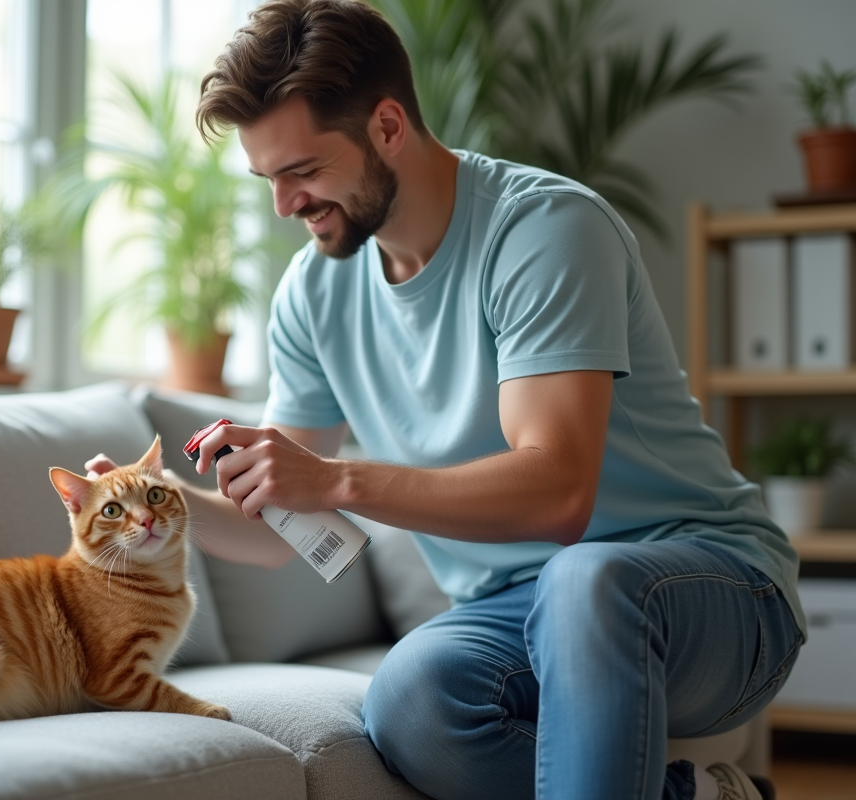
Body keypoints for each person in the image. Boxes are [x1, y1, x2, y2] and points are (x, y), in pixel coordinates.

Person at [88, 1, 803, 798]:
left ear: (388, 126)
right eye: (268, 179)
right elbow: (272, 532)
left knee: (585, 582)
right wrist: (151, 499)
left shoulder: (543, 230)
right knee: (412, 699)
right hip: (517, 611)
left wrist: (339, 479)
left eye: (304, 171)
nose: (283, 205)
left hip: (713, 591)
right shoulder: (314, 291)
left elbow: (559, 496)